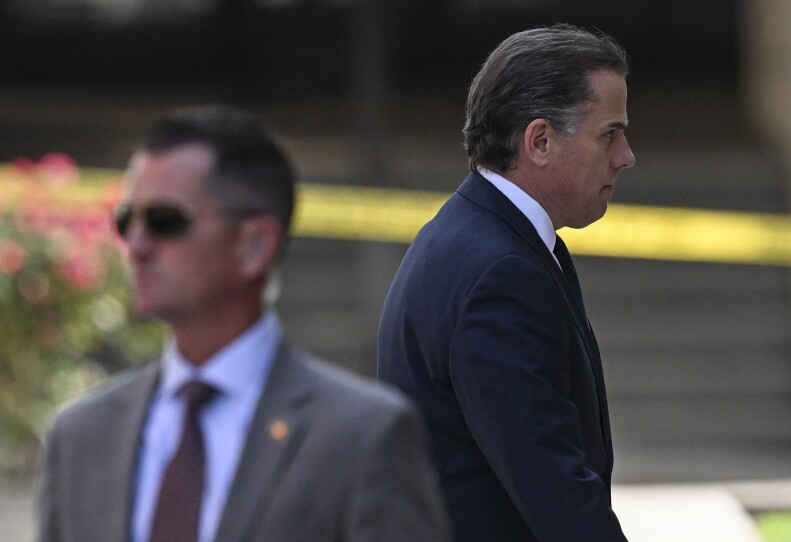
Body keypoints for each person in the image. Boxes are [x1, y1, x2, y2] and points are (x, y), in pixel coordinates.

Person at [36, 105, 451, 542]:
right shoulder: (81, 436)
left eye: (164, 221)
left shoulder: (362, 436)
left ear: (255, 244)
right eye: (125, 221)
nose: (136, 245)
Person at [377, 24, 635, 542]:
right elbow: (556, 494)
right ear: (540, 142)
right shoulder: (500, 272)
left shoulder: (487, 237)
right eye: (609, 134)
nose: (626, 155)